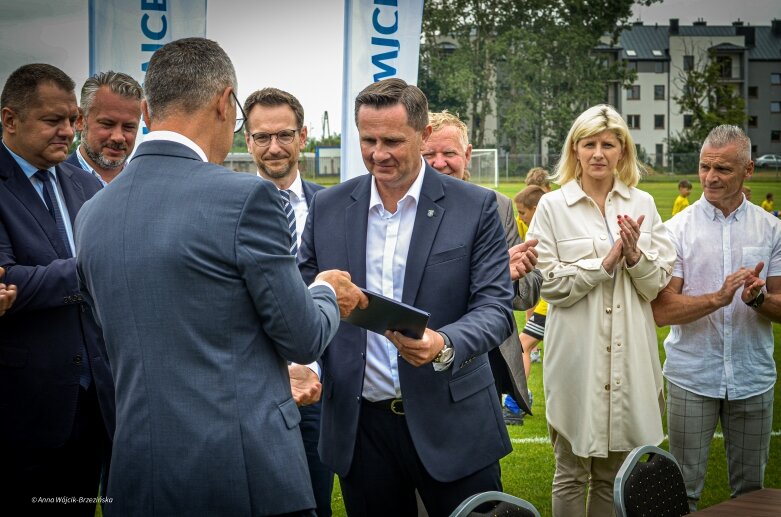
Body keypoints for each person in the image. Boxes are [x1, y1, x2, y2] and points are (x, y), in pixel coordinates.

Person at [75, 38, 367, 516]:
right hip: (243, 474)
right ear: (224, 102)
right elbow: (302, 337)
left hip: (137, 472)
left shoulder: (92, 212)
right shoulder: (246, 197)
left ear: (147, 110)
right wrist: (326, 292)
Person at [299, 78, 516, 517]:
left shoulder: (475, 207)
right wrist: (305, 362)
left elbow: (495, 309)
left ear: (422, 135)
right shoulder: (328, 207)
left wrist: (444, 343)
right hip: (362, 431)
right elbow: (302, 301)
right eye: (368, 140)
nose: (378, 153)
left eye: (393, 141)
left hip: (454, 424)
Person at [526, 104, 675, 517]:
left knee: (613, 475)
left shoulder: (642, 202)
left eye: (608, 144)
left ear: (622, 151)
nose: (598, 153)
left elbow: (656, 283)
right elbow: (548, 284)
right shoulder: (553, 207)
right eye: (589, 143)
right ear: (574, 149)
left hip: (629, 360)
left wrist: (632, 255)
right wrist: (603, 264)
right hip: (576, 358)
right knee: (571, 471)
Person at [0, 63, 115, 515]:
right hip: (24, 408)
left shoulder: (83, 182)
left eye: (72, 119)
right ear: (10, 119)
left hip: (93, 403)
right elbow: (8, 281)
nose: (68, 131)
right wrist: (97, 267)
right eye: (53, 120)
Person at [651, 125, 781, 513]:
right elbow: (662, 310)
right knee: (681, 492)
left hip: (752, 377)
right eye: (705, 167)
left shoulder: (771, 228)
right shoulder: (675, 229)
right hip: (693, 376)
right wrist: (719, 298)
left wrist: (758, 299)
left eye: (722, 169)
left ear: (749, 170)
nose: (710, 177)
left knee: (751, 494)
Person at [243, 87, 332, 517]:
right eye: (262, 137)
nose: (273, 147)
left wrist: (308, 366)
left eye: (284, 134)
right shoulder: (228, 207)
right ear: (247, 141)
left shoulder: (333, 207)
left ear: (304, 136)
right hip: (252, 387)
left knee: (314, 502)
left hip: (318, 387)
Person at [422, 109, 540, 426]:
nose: (439, 162)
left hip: (481, 362)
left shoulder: (497, 206)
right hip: (418, 352)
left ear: (468, 154)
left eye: (449, 153)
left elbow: (525, 297)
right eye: (428, 153)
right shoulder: (402, 207)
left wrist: (517, 274)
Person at [65, 71, 143, 185]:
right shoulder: (53, 182)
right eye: (107, 124)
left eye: (128, 127)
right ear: (80, 120)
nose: (118, 137)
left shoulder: (146, 184)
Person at [513, 185, 547, 383]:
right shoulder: (522, 224)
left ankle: (514, 406)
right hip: (546, 302)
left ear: (536, 209)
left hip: (554, 305)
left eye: (522, 212)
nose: (519, 217)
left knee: (521, 345)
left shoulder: (552, 228)